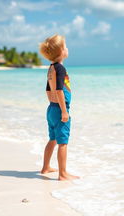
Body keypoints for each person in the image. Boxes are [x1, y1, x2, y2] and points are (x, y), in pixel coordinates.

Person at [39, 34, 80, 181]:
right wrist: (63, 110)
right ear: (61, 52)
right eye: (65, 46)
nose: (67, 49)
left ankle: (45, 167)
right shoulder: (60, 68)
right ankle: (62, 174)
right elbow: (59, 90)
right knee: (63, 142)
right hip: (60, 109)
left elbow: (48, 90)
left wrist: (54, 105)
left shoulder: (51, 68)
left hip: (51, 108)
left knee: (53, 139)